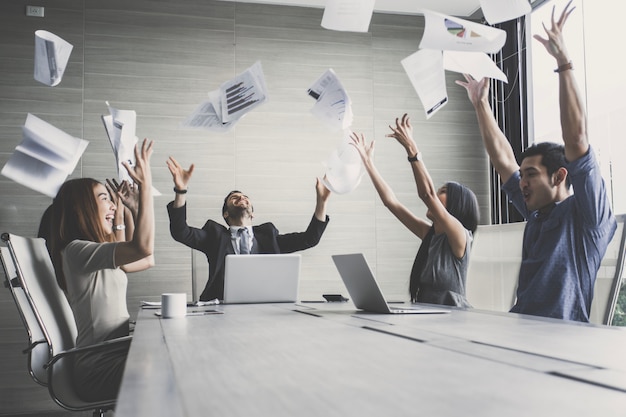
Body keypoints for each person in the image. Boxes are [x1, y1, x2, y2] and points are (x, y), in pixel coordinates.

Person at [456, 1, 616, 322]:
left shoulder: (587, 216)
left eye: (530, 175)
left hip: (559, 339)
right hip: (520, 327)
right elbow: (503, 160)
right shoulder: (537, 212)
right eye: (523, 176)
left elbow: (577, 140)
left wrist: (564, 63)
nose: (522, 183)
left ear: (559, 176)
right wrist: (480, 104)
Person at [49, 139, 155, 401]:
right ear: (81, 208)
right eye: (104, 199)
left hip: (116, 356)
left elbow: (143, 259)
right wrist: (145, 187)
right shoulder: (77, 251)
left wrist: (131, 210)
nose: (112, 205)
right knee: (172, 367)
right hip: (98, 371)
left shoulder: (95, 253)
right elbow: (141, 248)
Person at [350, 114, 480, 307]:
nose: (436, 193)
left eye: (442, 192)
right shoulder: (430, 234)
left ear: (457, 205)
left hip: (454, 320)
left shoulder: (460, 235)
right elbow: (391, 202)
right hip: (426, 315)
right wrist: (368, 163)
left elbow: (427, 195)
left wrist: (412, 148)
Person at [166, 156, 331, 302]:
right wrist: (181, 191)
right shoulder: (214, 236)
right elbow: (180, 232)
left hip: (265, 306)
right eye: (234, 198)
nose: (241, 197)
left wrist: (322, 203)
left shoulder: (269, 237)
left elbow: (310, 239)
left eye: (245, 197)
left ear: (252, 214)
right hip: (221, 309)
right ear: (225, 214)